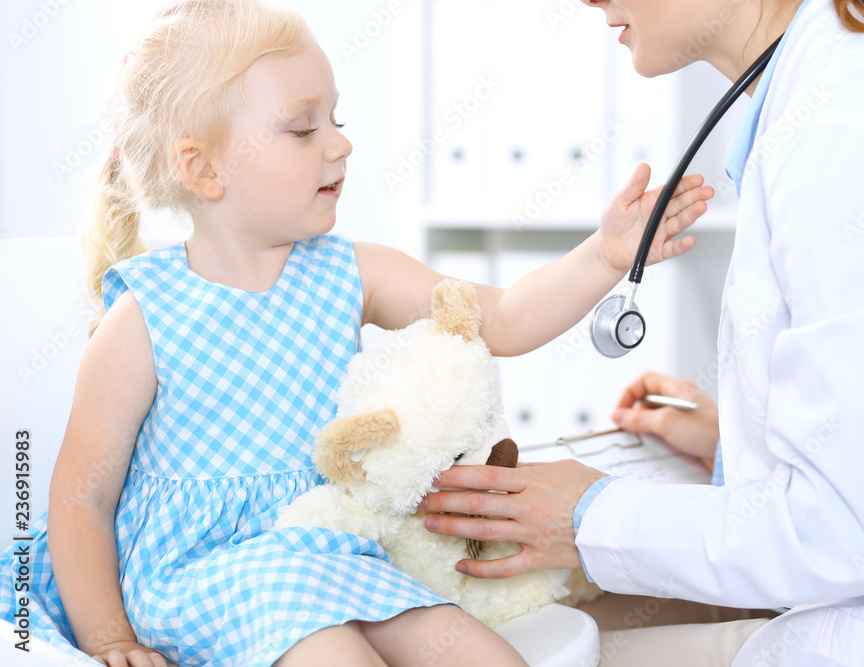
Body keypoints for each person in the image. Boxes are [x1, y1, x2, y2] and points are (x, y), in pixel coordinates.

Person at [0, 1, 715, 665]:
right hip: (201, 573)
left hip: (329, 550)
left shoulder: (351, 273)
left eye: (336, 120)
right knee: (331, 650)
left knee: (474, 650)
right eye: (303, 127)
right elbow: (79, 496)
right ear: (202, 167)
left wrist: (605, 254)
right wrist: (110, 639)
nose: (340, 144)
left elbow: (498, 318)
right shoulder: (146, 315)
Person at [421, 0, 864, 665]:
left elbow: (846, 532)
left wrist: (587, 515)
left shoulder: (861, 117)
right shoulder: (837, 93)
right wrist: (738, 446)